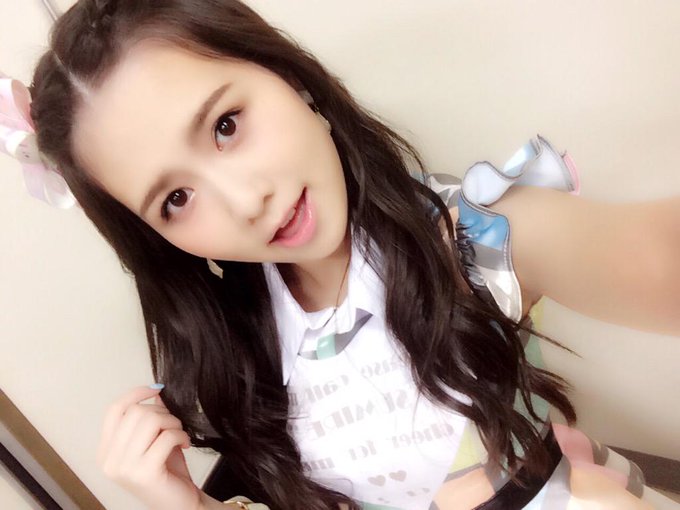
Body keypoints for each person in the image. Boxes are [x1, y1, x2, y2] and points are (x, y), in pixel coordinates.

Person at [3, 0, 677, 509]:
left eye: (226, 125)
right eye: (176, 199)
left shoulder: (475, 240)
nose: (246, 201)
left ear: (286, 76)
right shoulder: (243, 353)